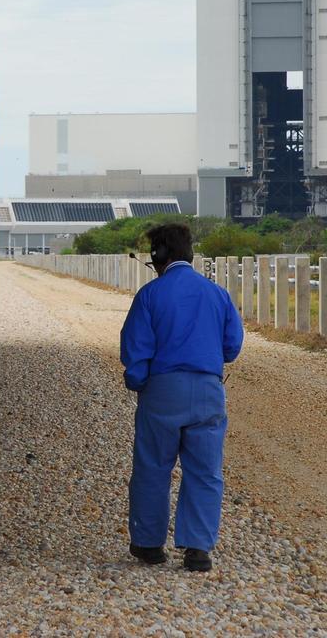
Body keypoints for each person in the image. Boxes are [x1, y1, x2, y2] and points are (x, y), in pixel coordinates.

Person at [120, 223, 243, 572]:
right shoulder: (218, 294)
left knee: (153, 468)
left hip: (162, 391)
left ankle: (148, 544)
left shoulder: (149, 295)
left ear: (159, 255)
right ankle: (198, 549)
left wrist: (139, 381)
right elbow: (232, 347)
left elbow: (135, 352)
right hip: (208, 391)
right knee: (205, 471)